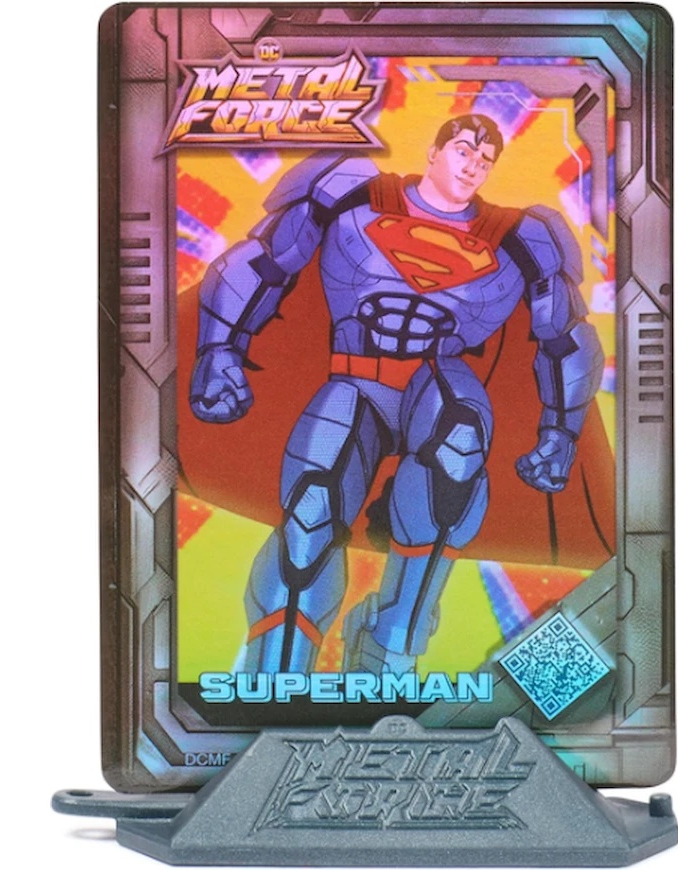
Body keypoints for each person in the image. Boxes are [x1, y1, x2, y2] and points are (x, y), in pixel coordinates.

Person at [190, 113, 603, 675]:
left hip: (437, 378)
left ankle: (391, 647)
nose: (472, 165)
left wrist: (561, 431)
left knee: (458, 447)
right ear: (434, 150)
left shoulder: (522, 236)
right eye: (463, 149)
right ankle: (275, 671)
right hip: (356, 374)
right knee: (311, 511)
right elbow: (262, 262)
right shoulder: (352, 189)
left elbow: (567, 337)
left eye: (485, 159)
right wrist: (219, 349)